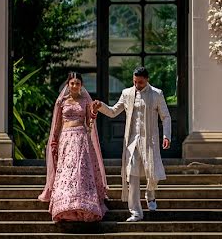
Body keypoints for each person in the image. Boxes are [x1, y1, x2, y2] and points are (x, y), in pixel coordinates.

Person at [92, 66, 171, 222]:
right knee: (132, 175)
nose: (137, 85)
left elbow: (166, 117)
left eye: (140, 82)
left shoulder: (157, 94)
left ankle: (150, 194)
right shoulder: (127, 93)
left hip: (150, 140)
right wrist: (100, 106)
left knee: (152, 174)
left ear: (147, 80)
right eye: (135, 82)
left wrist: (166, 135)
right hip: (132, 141)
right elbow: (114, 111)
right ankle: (136, 212)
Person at [39, 72, 108, 222]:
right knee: (67, 172)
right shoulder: (61, 102)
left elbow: (90, 124)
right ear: (68, 85)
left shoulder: (85, 101)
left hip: (81, 138)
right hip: (66, 139)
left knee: (80, 171)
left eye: (77, 83)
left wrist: (94, 112)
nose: (75, 86)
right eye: (72, 83)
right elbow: (57, 124)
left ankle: (83, 204)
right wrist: (54, 141)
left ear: (81, 85)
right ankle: (64, 206)